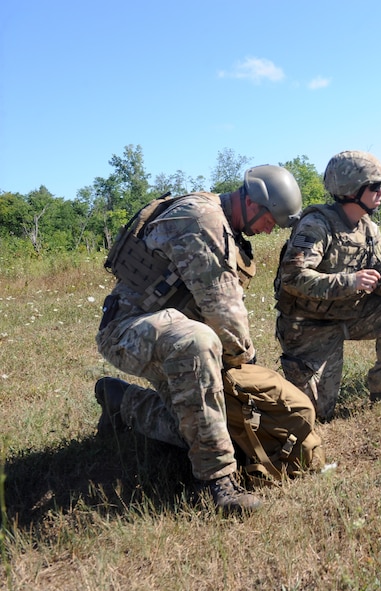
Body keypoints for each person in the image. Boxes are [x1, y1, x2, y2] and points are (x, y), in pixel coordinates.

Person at [94, 164, 303, 514]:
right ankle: (216, 483)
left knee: (200, 430)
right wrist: (246, 367)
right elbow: (222, 311)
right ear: (252, 204)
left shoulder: (221, 224)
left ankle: (120, 400)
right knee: (199, 341)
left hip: (171, 333)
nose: (269, 230)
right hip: (128, 330)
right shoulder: (202, 220)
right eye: (270, 220)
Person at [274, 150, 381, 423]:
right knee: (314, 415)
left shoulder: (369, 229)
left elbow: (377, 283)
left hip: (348, 314)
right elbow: (293, 278)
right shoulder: (316, 224)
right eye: (375, 186)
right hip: (310, 325)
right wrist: (351, 281)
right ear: (352, 189)